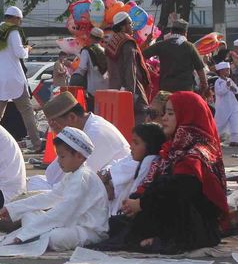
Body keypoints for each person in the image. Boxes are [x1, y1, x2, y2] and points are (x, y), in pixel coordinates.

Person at [100, 92, 227, 254]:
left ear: (187, 115)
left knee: (127, 229)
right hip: (172, 218)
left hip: (195, 227)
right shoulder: (173, 148)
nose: (164, 118)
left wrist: (141, 204)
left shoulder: (197, 152)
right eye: (165, 113)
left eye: (171, 114)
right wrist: (136, 201)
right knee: (116, 225)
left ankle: (159, 238)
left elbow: (179, 189)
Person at [0, 127, 109, 251]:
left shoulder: (82, 177)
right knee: (29, 214)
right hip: (71, 225)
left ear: (79, 156)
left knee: (55, 237)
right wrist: (12, 208)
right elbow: (51, 197)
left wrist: (26, 233)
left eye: (62, 156)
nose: (59, 161)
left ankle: (35, 235)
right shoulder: (72, 175)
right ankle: (36, 235)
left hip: (89, 231)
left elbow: (63, 211)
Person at [31, 92, 131, 189]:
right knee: (33, 182)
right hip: (91, 187)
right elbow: (51, 174)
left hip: (115, 193)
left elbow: (66, 179)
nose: (54, 130)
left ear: (72, 117)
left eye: (55, 124)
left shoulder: (95, 133)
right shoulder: (82, 130)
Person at [0, 6, 41, 151]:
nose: (20, 24)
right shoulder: (13, 31)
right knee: (27, 111)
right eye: (20, 20)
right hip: (14, 78)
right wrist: (27, 49)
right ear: (15, 18)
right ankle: (37, 144)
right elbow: (19, 53)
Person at [99, 123, 166, 216]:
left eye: (136, 143)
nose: (131, 147)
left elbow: (107, 177)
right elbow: (111, 167)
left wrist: (106, 179)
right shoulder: (135, 157)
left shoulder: (148, 163)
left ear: (150, 145)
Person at [105, 11, 150, 124]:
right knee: (141, 122)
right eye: (130, 23)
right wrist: (131, 94)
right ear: (123, 26)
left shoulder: (112, 41)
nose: (132, 26)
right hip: (131, 91)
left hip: (114, 90)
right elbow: (131, 69)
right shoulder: (127, 42)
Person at [143, 19, 207, 96]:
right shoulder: (190, 47)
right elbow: (200, 68)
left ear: (171, 31)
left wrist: (147, 41)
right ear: (185, 33)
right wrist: (204, 85)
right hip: (186, 90)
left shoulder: (161, 45)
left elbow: (141, 55)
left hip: (165, 90)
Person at [73, 27, 108, 111]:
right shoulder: (105, 50)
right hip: (106, 87)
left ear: (90, 37)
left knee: (93, 112)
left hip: (93, 89)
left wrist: (74, 76)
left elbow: (82, 68)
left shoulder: (87, 50)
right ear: (101, 39)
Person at [214, 61, 238, 146]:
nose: (228, 72)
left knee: (235, 122)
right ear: (220, 71)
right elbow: (220, 92)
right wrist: (226, 86)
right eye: (226, 70)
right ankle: (214, 138)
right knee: (220, 123)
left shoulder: (230, 80)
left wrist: (232, 87)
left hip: (233, 105)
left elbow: (236, 90)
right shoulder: (218, 81)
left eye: (228, 70)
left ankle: (235, 140)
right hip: (223, 106)